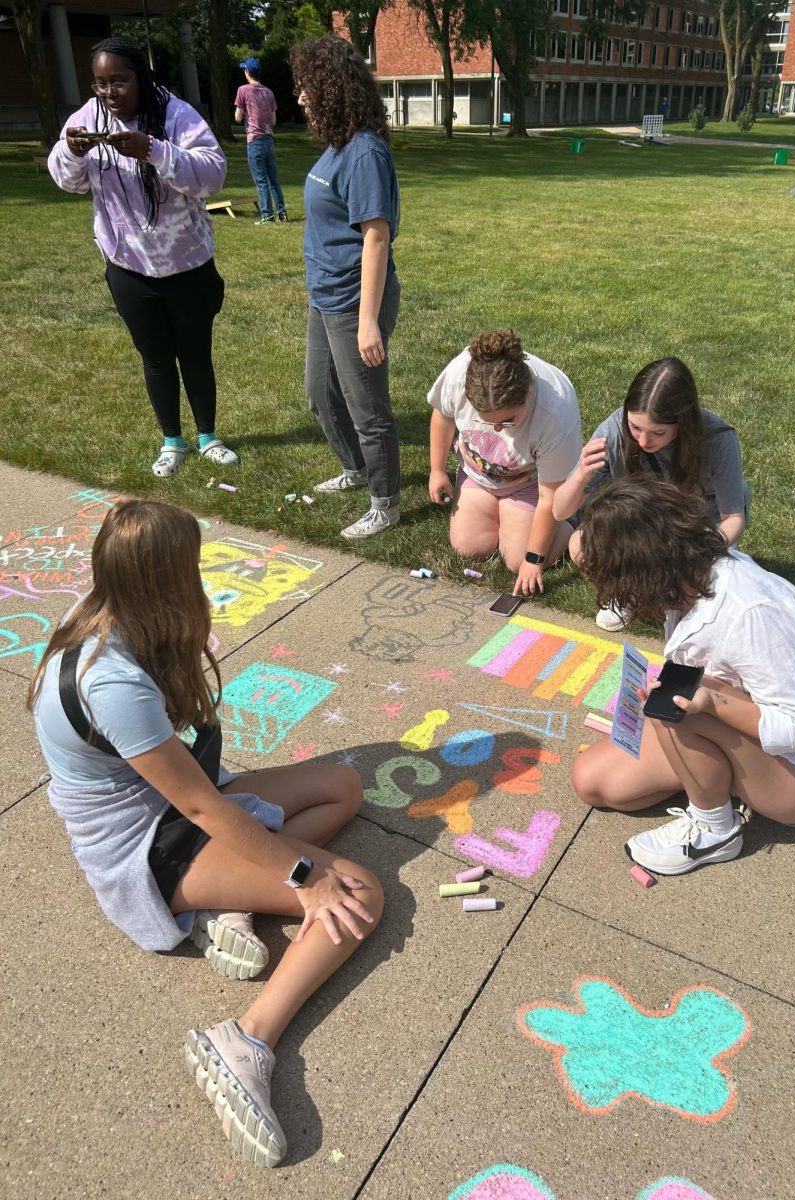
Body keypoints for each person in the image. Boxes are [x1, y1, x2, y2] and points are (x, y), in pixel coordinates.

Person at [28, 499, 383, 1167]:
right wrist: (302, 877)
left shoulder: (105, 612)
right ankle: (246, 1040)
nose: (201, 576)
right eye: (190, 566)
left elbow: (191, 788)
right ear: (163, 581)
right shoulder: (112, 682)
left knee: (343, 786)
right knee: (357, 892)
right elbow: (202, 811)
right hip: (145, 849)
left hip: (164, 806)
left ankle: (227, 902)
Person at [572, 477, 795, 876]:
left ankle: (715, 832)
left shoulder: (754, 611)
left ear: (642, 567)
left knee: (674, 705)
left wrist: (711, 703)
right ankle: (713, 774)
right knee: (594, 781)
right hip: (750, 736)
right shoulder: (688, 580)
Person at [48, 38, 239, 479]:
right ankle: (173, 439)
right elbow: (68, 182)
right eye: (100, 84)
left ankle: (208, 435)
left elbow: (212, 174)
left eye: (120, 81)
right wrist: (73, 151)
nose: (110, 93)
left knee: (195, 353)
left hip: (187, 262)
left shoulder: (176, 115)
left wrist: (153, 149)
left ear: (141, 78)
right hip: (128, 265)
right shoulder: (87, 118)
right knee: (154, 355)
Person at [290, 36, 401, 540]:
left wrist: (367, 321)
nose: (300, 98)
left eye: (306, 88)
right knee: (319, 394)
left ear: (331, 88)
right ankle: (356, 469)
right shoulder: (338, 146)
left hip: (355, 300)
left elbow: (375, 238)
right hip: (324, 296)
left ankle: (386, 503)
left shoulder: (364, 154)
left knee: (368, 409)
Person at [552, 356, 747, 630]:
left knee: (698, 605)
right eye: (635, 428)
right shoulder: (613, 432)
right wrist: (581, 474)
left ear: (683, 423)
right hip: (642, 524)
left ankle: (674, 595)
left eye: (658, 432)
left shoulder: (717, 439)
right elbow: (560, 511)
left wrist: (702, 553)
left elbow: (733, 518)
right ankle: (628, 594)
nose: (643, 441)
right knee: (580, 544)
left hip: (697, 528)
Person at [428, 330, 582, 596]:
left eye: (508, 420)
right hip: (479, 472)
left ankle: (569, 523)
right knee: (468, 547)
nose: (497, 429)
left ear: (528, 393)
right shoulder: (460, 375)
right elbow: (443, 416)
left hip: (530, 481)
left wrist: (534, 560)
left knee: (516, 559)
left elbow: (549, 497)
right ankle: (502, 512)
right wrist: (437, 470)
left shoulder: (555, 411)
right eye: (486, 420)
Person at [234, 56, 287, 225]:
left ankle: (267, 215)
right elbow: (273, 121)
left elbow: (237, 117)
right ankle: (282, 212)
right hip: (268, 139)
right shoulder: (269, 92)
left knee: (261, 180)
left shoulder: (243, 90)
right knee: (274, 179)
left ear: (248, 72)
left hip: (254, 140)